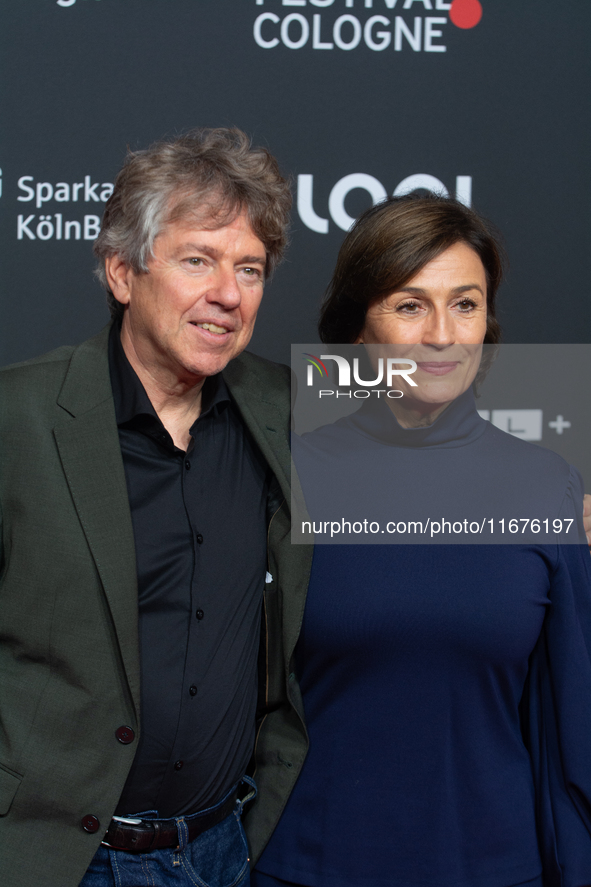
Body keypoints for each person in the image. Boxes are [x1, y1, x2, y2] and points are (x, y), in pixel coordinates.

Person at [0, 128, 312, 887]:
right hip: (57, 860)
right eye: (197, 259)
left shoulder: (288, 408)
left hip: (223, 850)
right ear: (120, 271)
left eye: (249, 268)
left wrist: (554, 496)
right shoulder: (18, 415)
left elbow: (451, 446)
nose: (228, 294)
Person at [252, 196, 591, 887]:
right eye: (410, 306)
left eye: (464, 304)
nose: (442, 333)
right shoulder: (288, 479)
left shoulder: (547, 486)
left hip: (496, 868)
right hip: (308, 865)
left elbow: (573, 724)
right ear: (357, 328)